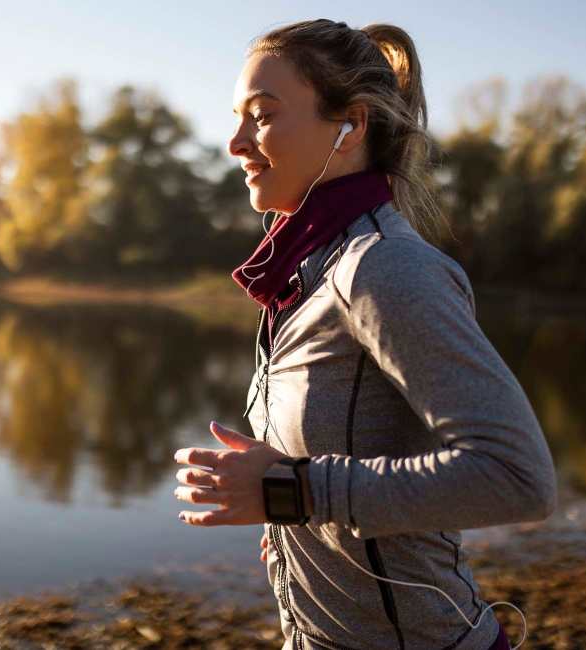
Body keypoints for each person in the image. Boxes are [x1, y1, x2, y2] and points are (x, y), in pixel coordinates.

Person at [173, 19, 556, 650]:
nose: (235, 142)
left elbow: (518, 478)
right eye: (237, 117)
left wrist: (294, 491)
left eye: (261, 116)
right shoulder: (307, 274)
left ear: (349, 126)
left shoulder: (385, 267)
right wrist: (289, 520)